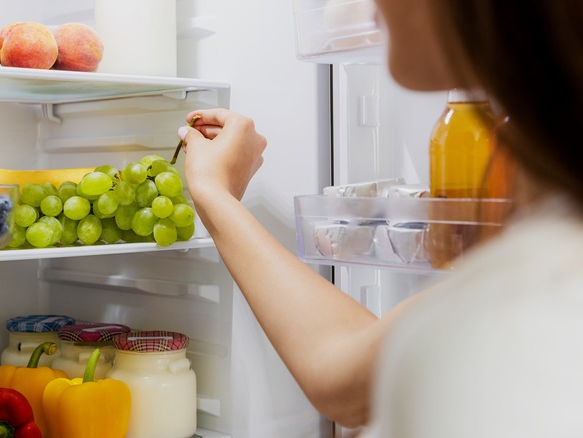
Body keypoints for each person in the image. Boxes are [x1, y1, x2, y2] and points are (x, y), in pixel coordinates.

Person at [177, 1, 583, 436]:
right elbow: (343, 375)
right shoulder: (531, 265)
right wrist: (216, 195)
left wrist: (214, 193)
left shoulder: (524, 303)